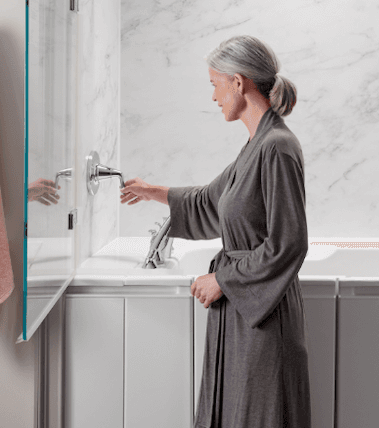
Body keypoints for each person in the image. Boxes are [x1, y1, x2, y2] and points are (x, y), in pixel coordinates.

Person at [119, 35, 311, 428]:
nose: (213, 96)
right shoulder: (257, 144)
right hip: (247, 311)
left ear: (238, 83)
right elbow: (212, 201)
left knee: (258, 416)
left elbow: (289, 243)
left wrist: (223, 279)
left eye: (214, 84)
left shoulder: (277, 147)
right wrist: (149, 190)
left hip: (263, 315)